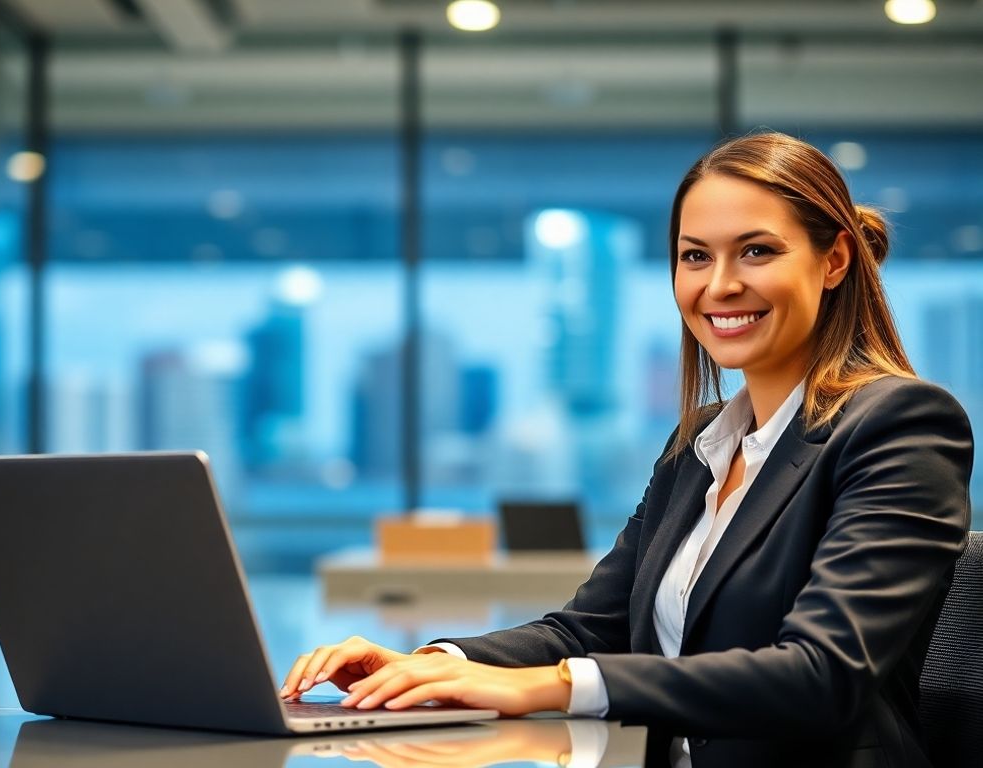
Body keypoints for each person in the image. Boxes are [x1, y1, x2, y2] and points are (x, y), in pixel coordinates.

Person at [280, 132, 974, 768]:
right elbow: (591, 629)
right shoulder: (698, 445)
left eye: (757, 251)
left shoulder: (900, 425)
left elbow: (821, 675)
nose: (719, 284)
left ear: (834, 261)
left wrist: (547, 689)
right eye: (694, 256)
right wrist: (431, 662)